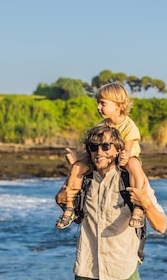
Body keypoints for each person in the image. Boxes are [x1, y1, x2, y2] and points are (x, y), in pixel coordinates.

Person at [56, 124, 167, 280]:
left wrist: (145, 203)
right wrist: (69, 182)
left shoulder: (131, 179)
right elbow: (63, 200)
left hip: (122, 275)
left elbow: (161, 225)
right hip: (87, 273)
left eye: (106, 146)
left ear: (117, 149)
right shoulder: (84, 178)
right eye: (94, 147)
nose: (100, 152)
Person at [56, 81, 148, 230]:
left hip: (125, 157)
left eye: (103, 103)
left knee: (133, 164)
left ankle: (138, 207)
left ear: (118, 105)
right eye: (98, 103)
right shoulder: (102, 126)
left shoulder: (128, 126)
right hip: (105, 157)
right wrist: (77, 157)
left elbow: (127, 151)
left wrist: (124, 157)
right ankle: (70, 206)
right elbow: (94, 150)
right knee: (77, 167)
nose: (98, 107)